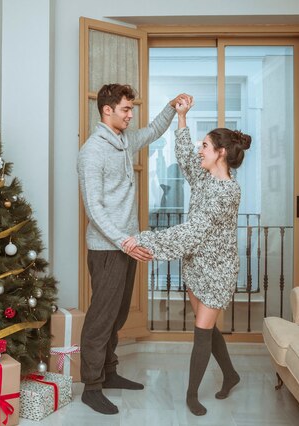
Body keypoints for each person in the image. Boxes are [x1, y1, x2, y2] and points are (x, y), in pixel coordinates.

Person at [122, 97, 252, 416]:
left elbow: (192, 233)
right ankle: (231, 374)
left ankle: (191, 395)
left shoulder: (227, 192)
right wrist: (181, 117)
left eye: (205, 145)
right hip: (196, 265)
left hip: (217, 271)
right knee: (205, 327)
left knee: (201, 333)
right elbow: (185, 158)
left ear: (220, 152)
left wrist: (145, 242)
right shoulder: (206, 178)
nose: (199, 148)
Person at [77, 83, 190, 415]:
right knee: (101, 317)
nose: (130, 114)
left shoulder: (124, 141)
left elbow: (154, 130)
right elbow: (93, 208)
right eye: (126, 109)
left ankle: (109, 373)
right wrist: (124, 240)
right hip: (108, 247)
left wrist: (171, 106)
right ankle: (91, 386)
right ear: (107, 110)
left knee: (119, 313)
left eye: (131, 109)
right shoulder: (92, 151)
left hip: (128, 245)